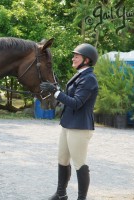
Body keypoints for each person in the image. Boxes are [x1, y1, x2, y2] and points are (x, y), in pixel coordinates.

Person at [40, 43, 99, 200]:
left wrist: (56, 93)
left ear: (86, 60)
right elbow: (70, 97)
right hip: (68, 124)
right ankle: (61, 194)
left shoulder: (89, 79)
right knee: (62, 159)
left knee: (79, 163)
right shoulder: (80, 75)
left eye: (76, 56)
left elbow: (76, 102)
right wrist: (56, 89)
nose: (73, 58)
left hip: (79, 127)